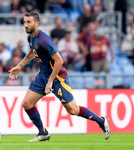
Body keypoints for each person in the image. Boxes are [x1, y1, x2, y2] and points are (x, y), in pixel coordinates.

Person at [9, 12, 111, 142]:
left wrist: (50, 81)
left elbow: (59, 61)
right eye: (24, 22)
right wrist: (19, 66)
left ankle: (101, 121)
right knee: (27, 104)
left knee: (73, 110)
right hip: (43, 76)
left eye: (28, 22)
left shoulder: (44, 40)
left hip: (57, 78)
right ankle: (43, 132)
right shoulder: (31, 38)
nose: (26, 25)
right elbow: (32, 52)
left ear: (36, 23)